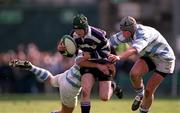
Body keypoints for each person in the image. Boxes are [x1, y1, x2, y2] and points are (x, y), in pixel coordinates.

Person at [9, 51, 115, 113]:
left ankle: (31, 67)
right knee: (65, 112)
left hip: (65, 75)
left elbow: (77, 58)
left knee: (51, 79)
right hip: (70, 87)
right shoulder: (99, 59)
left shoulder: (85, 50)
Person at [108, 16, 175, 113]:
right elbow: (108, 43)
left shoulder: (143, 33)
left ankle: (143, 110)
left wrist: (119, 57)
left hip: (164, 60)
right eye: (122, 30)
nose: (122, 33)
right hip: (150, 56)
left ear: (132, 29)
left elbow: (134, 50)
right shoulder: (126, 33)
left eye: (125, 31)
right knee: (134, 74)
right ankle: (140, 94)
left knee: (149, 91)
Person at [58, 14, 123, 113]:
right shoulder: (73, 35)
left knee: (104, 97)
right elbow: (74, 55)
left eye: (80, 29)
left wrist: (91, 55)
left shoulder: (98, 35)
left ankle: (113, 86)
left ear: (85, 28)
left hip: (104, 62)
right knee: (85, 91)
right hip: (89, 64)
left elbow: (107, 53)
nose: (77, 32)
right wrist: (62, 50)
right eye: (75, 29)